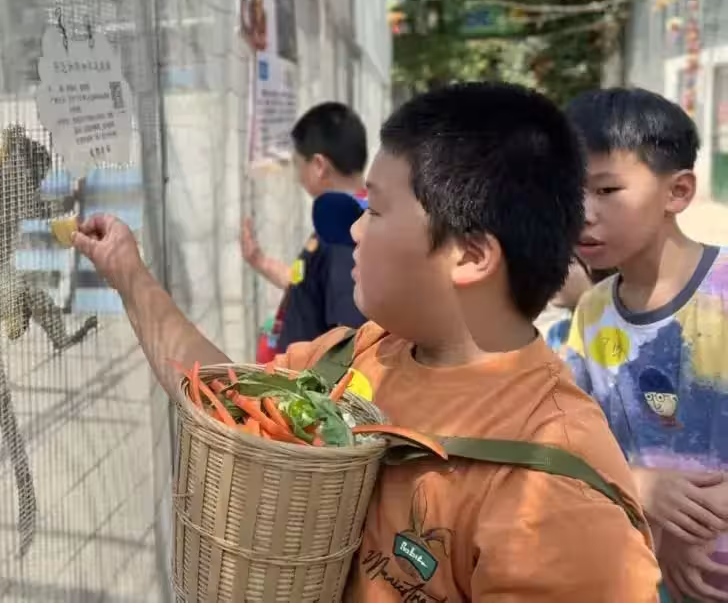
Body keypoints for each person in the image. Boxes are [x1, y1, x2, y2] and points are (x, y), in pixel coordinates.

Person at [73, 82, 660, 601]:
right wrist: (129, 272)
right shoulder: (357, 354)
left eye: (374, 210)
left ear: (470, 255)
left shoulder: (554, 495)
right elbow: (223, 398)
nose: (354, 230)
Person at [562, 87, 728, 603]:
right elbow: (573, 437)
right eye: (567, 191)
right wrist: (638, 485)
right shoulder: (592, 312)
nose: (582, 213)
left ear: (677, 192)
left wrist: (700, 520)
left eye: (606, 190)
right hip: (640, 574)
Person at [240, 102, 367, 361]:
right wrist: (261, 261)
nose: (298, 177)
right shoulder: (352, 215)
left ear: (319, 165)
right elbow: (314, 288)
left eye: (299, 165)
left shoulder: (344, 231)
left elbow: (351, 334)